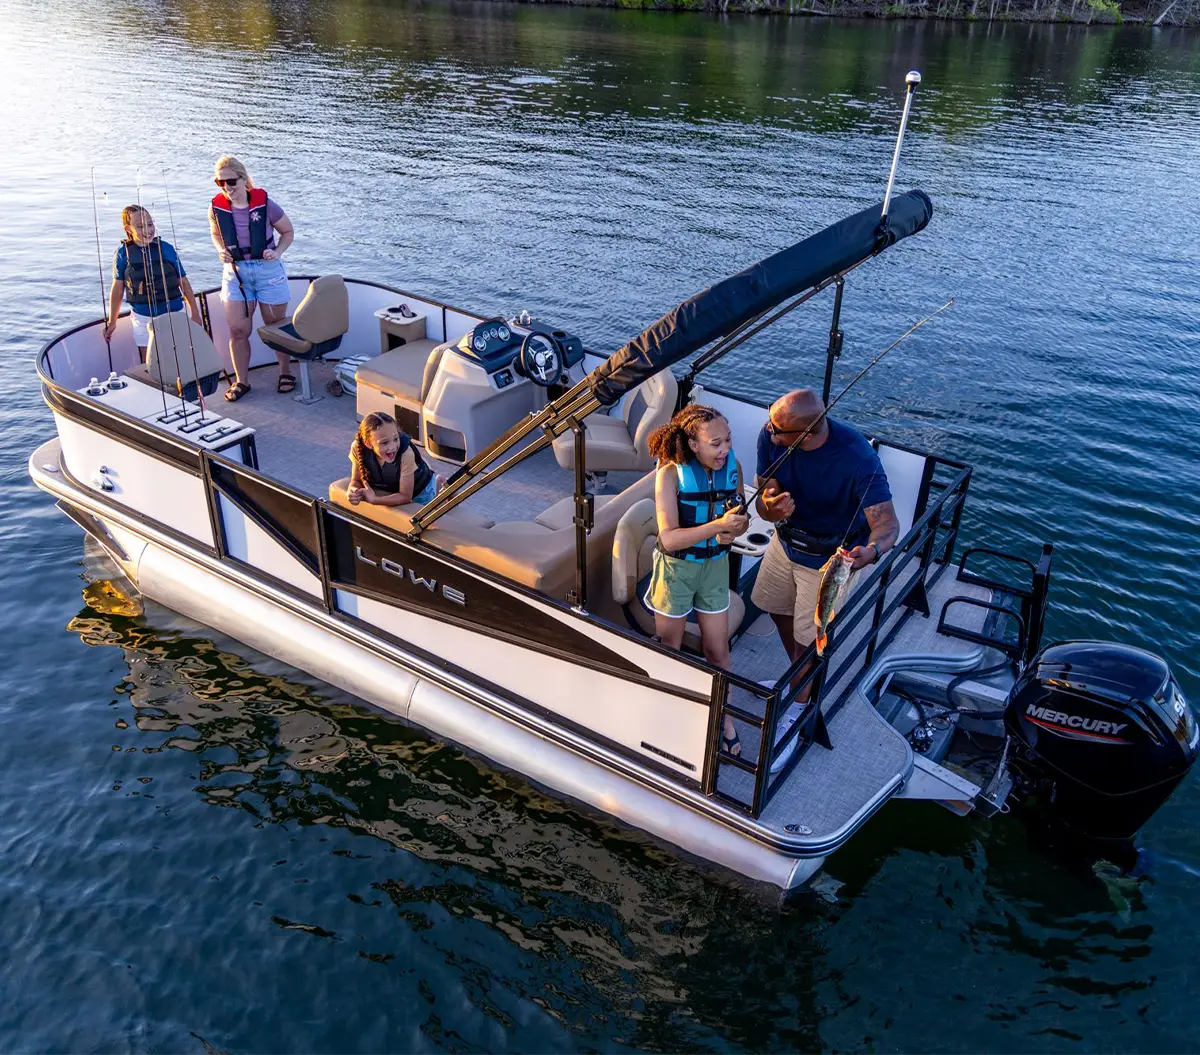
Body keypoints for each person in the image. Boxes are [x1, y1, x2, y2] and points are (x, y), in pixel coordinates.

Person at [752, 388, 900, 686]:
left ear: (804, 435)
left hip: (828, 560)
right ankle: (799, 675)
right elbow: (764, 492)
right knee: (774, 607)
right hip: (784, 544)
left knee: (812, 641)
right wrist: (769, 510)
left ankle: (796, 705)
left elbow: (887, 524)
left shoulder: (859, 458)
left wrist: (871, 552)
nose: (769, 430)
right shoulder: (770, 436)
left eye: (777, 429)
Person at [645, 404, 750, 756]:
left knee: (718, 651)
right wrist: (717, 527)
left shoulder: (732, 467)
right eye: (716, 443)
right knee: (669, 648)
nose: (725, 450)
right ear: (693, 444)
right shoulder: (669, 473)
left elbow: (739, 520)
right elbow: (670, 538)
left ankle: (725, 720)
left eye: (728, 440)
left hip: (715, 568)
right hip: (677, 571)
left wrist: (733, 529)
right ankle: (666, 716)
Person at [207, 155, 295, 401]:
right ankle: (241, 381)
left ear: (243, 179)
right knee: (237, 329)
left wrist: (276, 252)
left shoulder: (266, 204)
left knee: (275, 327)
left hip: (268, 272)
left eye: (231, 181)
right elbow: (215, 233)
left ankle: (286, 372)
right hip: (236, 273)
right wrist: (219, 250)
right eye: (220, 183)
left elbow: (288, 232)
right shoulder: (216, 208)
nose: (227, 187)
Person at [102, 205, 200, 360]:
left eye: (150, 224)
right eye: (140, 226)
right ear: (128, 229)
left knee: (180, 357)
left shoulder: (166, 248)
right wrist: (112, 321)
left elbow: (184, 282)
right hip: (142, 317)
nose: (148, 230)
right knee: (150, 360)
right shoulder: (122, 253)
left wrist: (195, 313)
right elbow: (117, 289)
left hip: (173, 312)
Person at [348, 412, 445, 508]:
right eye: (385, 443)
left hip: (420, 490)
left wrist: (375, 500)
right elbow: (356, 480)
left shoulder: (406, 454)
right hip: (390, 486)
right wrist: (352, 491)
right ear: (368, 444)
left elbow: (405, 496)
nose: (393, 447)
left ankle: (439, 484)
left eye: (395, 439)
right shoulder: (357, 447)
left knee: (434, 508)